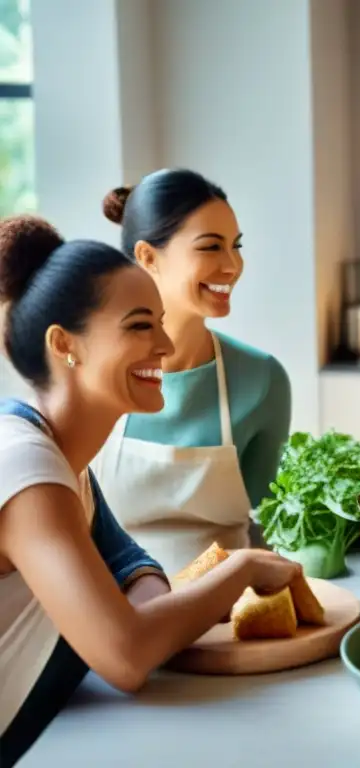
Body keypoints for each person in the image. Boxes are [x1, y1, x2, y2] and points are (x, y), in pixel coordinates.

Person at [0, 215, 302, 767]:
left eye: (160, 323)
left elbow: (128, 561)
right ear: (65, 345)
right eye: (140, 326)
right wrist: (243, 569)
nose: (165, 344)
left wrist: (143, 606)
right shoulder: (25, 465)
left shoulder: (69, 467)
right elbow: (126, 657)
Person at [94, 169, 292, 575]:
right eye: (211, 247)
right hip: (113, 619)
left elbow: (268, 530)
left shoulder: (262, 381)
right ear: (148, 256)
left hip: (225, 617)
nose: (232, 265)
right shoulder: (94, 376)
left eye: (235, 246)